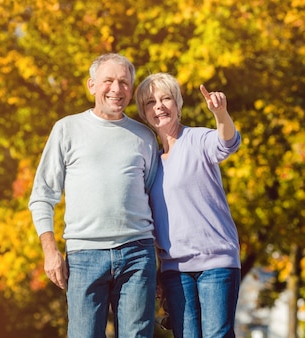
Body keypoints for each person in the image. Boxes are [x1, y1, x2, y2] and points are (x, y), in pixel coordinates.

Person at [28, 53, 159, 338]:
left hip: (138, 254)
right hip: (84, 256)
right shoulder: (67, 129)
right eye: (108, 80)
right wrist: (50, 251)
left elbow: (155, 199)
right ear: (91, 85)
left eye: (124, 82)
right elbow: (42, 196)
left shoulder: (144, 137)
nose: (117, 89)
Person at [135, 72, 242, 338]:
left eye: (165, 98)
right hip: (175, 271)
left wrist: (221, 114)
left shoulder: (197, 140)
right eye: (150, 102)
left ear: (178, 105)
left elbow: (226, 143)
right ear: (144, 113)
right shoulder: (151, 163)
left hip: (216, 263)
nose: (158, 106)